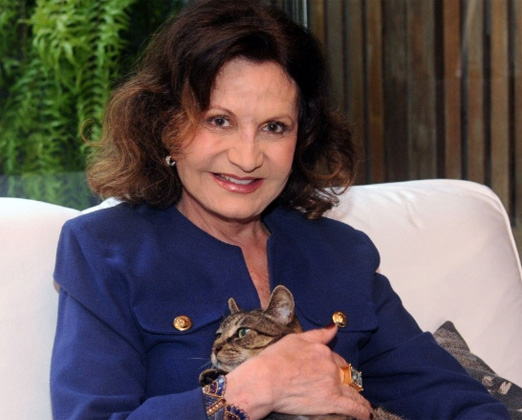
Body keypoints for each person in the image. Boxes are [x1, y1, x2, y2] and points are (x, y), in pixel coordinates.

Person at [50, 1, 510, 419]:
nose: (247, 157)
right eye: (219, 121)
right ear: (167, 127)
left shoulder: (342, 253)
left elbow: (456, 400)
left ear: (301, 139)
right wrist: (248, 391)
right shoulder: (106, 250)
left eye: (274, 127)